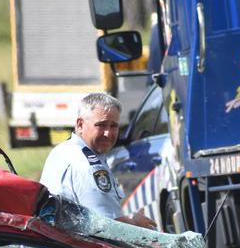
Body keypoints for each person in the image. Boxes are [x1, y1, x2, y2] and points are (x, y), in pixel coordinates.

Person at [39, 92, 156, 229]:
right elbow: (109, 226)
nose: (108, 133)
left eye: (114, 126)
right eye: (101, 125)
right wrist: (137, 223)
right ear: (80, 125)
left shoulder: (62, 150)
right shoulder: (89, 166)